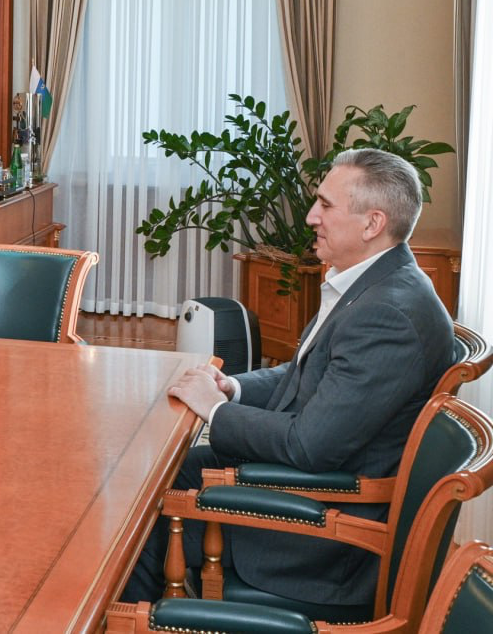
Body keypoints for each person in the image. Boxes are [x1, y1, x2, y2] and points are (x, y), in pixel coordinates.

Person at [121, 148, 456, 610]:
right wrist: (233, 388)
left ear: (372, 224)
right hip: (314, 485)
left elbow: (308, 445)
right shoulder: (376, 284)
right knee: (155, 473)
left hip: (323, 537)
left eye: (326, 205)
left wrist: (215, 410)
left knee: (138, 517)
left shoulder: (387, 314)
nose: (311, 216)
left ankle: (133, 618)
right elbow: (307, 372)